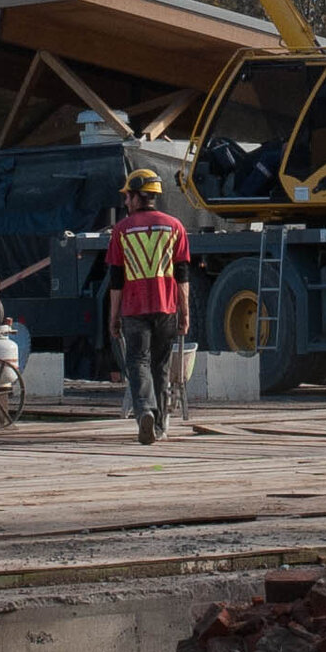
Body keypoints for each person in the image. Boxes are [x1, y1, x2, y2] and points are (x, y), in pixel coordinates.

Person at [103, 167, 193, 444]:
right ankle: (161, 426)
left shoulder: (121, 230)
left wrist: (113, 317)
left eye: (127, 197)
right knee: (160, 366)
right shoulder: (175, 227)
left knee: (137, 362)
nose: (125, 202)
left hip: (133, 309)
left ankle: (145, 412)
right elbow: (182, 276)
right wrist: (185, 312)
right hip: (166, 308)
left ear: (136, 196)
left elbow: (116, 281)